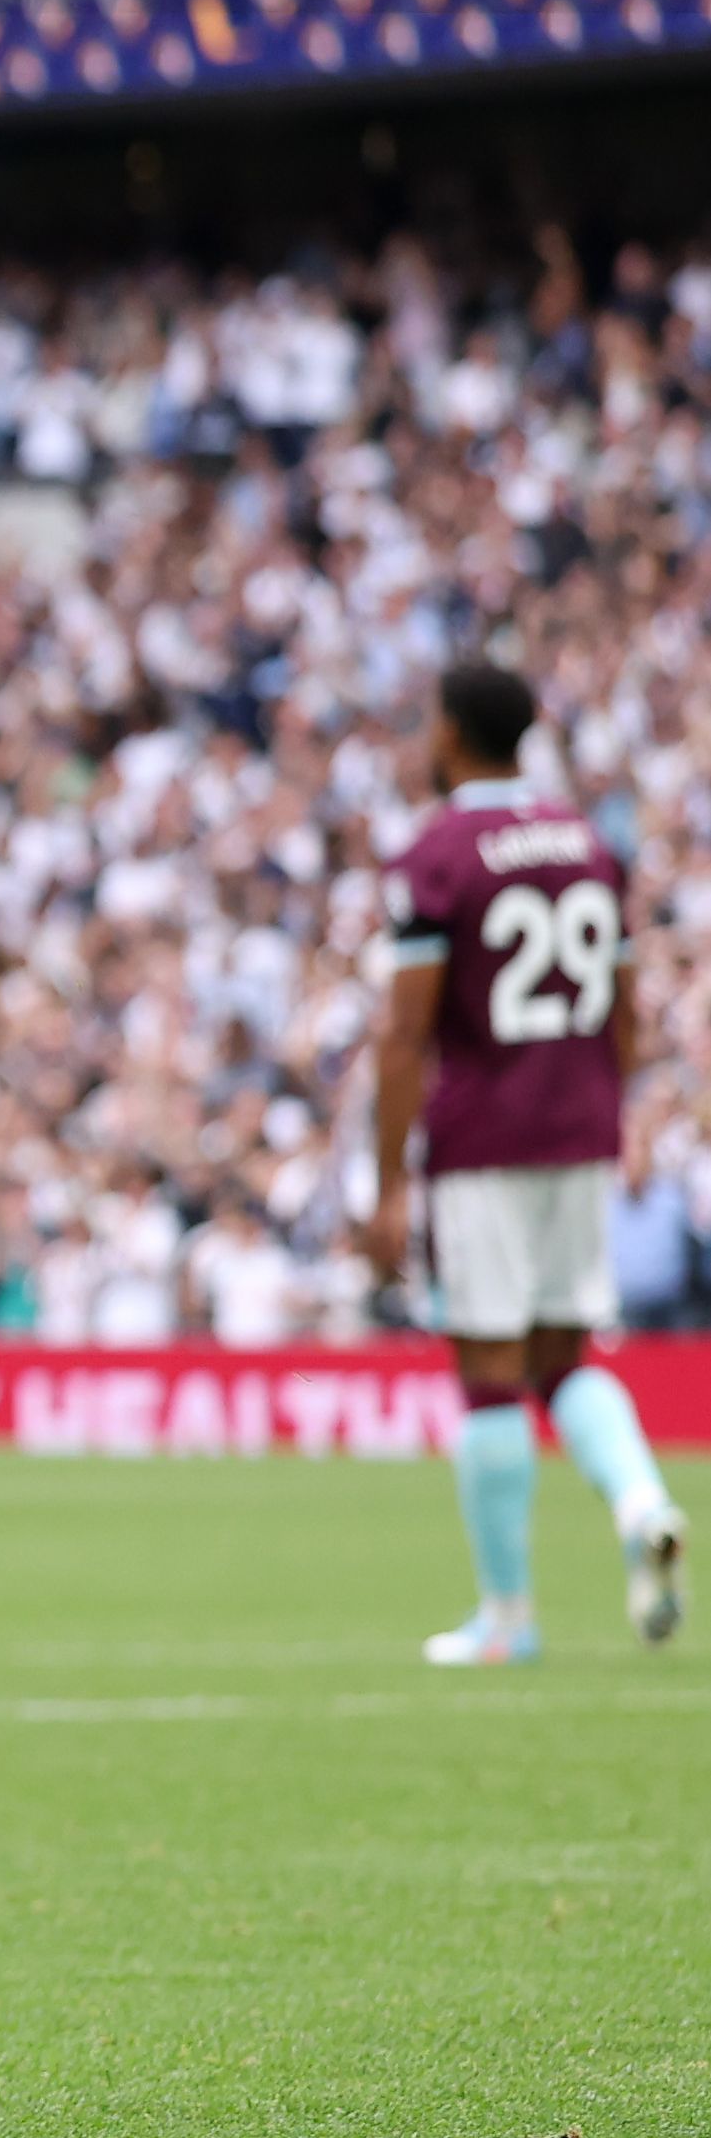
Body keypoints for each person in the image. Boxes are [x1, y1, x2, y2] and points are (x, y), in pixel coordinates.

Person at [362, 662, 685, 1661]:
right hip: (578, 1127)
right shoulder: (590, 843)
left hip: (485, 1138)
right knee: (563, 1357)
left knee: (490, 1374)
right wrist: (615, 1110)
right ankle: (641, 1501)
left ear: (451, 734)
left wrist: (385, 1182)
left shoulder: (437, 855)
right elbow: (625, 1006)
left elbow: (406, 1035)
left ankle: (508, 1616)